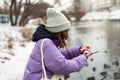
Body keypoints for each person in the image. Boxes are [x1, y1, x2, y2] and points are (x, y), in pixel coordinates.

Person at [23, 8, 92, 80]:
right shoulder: (47, 43)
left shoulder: (47, 41)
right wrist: (84, 57)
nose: (67, 33)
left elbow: (58, 56)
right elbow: (64, 67)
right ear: (60, 30)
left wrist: (78, 51)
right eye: (66, 30)